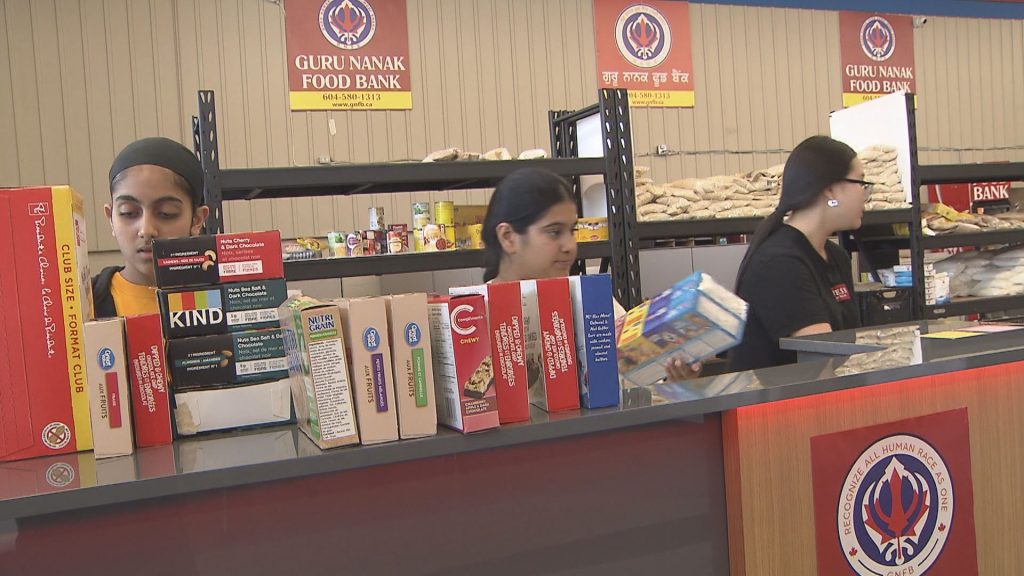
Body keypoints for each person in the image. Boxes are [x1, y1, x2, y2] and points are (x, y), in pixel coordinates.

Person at [483, 167, 697, 381]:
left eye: (572, 231)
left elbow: (642, 384)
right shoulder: (475, 317)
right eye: (554, 232)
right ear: (508, 237)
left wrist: (676, 378)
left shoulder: (594, 303)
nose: (570, 246)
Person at [728, 135, 867, 371]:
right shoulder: (780, 264)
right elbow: (820, 361)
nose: (865, 194)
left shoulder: (835, 256)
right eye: (861, 183)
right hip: (773, 405)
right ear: (831, 190)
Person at [92, 137, 209, 317]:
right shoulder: (81, 306)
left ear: (197, 220)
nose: (146, 230)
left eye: (166, 213)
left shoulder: (226, 301)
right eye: (129, 213)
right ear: (111, 218)